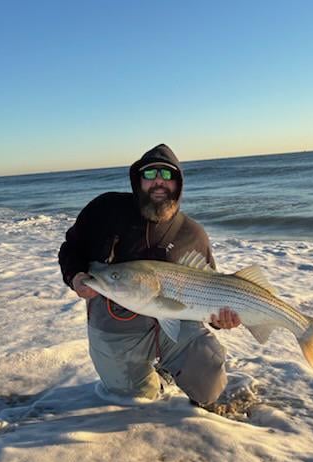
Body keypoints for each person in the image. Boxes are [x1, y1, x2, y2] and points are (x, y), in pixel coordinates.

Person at [58, 143, 240, 405]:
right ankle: (153, 378)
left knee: (209, 389)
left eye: (167, 174)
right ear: (138, 180)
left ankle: (170, 369)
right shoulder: (105, 209)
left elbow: (212, 290)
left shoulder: (193, 233)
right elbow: (71, 248)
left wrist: (221, 320)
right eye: (150, 174)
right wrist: (75, 276)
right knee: (136, 399)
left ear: (178, 183)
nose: (158, 181)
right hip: (117, 329)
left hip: (175, 321)